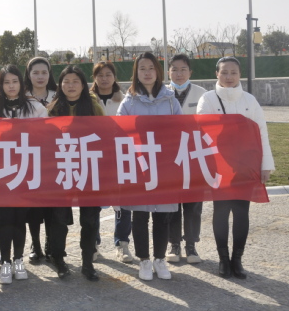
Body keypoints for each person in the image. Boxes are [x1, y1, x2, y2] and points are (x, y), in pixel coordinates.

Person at [197, 56, 274, 279]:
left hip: (245, 166)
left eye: (234, 72)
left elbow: (261, 133)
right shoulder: (208, 99)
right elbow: (202, 129)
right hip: (219, 166)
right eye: (224, 72)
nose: (229, 77)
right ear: (216, 74)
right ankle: (223, 259)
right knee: (221, 211)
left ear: (240, 75)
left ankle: (237, 259)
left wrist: (265, 164)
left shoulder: (250, 100)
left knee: (241, 212)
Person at [117, 52, 182, 282]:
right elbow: (120, 133)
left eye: (151, 68)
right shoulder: (129, 102)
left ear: (158, 71)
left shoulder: (171, 100)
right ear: (136, 73)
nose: (147, 73)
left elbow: (181, 131)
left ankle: (160, 259)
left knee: (163, 215)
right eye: (142, 68)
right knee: (140, 215)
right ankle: (144, 260)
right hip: (139, 166)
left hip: (164, 165)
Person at [0, 65, 48, 284]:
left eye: (15, 82)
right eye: (6, 82)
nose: (11, 86)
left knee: (20, 218)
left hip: (25, 171)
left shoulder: (35, 107)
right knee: (4, 218)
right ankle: (5, 262)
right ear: (0, 85)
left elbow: (45, 136)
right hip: (1, 173)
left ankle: (18, 259)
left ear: (21, 83)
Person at [47, 66, 106, 281]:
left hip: (89, 168)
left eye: (75, 81)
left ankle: (87, 261)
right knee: (58, 218)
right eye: (66, 81)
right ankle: (58, 259)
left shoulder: (93, 106)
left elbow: (105, 134)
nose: (70, 86)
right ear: (60, 85)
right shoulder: (52, 108)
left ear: (83, 84)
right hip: (61, 169)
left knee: (90, 219)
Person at [165, 53, 207, 264]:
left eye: (183, 69)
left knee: (193, 203)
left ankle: (191, 245)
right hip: (169, 156)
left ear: (190, 72)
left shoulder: (203, 95)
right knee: (172, 202)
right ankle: (174, 244)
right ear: (168, 72)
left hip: (194, 154)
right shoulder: (162, 94)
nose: (179, 74)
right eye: (174, 69)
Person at [89, 61, 132, 263]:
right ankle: (93, 244)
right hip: (94, 157)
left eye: (108, 74)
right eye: (100, 75)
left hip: (119, 157)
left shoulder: (125, 100)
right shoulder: (87, 100)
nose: (104, 78)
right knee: (93, 204)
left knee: (123, 202)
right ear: (94, 78)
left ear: (114, 77)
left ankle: (122, 244)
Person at [22, 56, 58, 262]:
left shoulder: (58, 96)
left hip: (55, 158)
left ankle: (50, 243)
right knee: (33, 206)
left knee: (52, 206)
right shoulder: (21, 97)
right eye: (35, 72)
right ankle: (35, 244)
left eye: (44, 72)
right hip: (31, 157)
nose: (40, 76)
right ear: (28, 75)